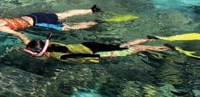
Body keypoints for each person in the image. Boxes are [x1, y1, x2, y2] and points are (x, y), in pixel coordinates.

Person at [0, 5, 101, 46]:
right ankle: (92, 10)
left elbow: (19, 33)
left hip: (38, 22)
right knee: (63, 14)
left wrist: (27, 43)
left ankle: (95, 23)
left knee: (66, 27)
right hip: (34, 15)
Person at [25, 35, 170, 63]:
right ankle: (149, 38)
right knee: (122, 45)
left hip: (95, 53)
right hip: (89, 44)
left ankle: (163, 48)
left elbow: (82, 58)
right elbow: (46, 51)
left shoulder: (60, 57)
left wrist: (110, 56)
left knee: (134, 50)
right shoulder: (53, 44)